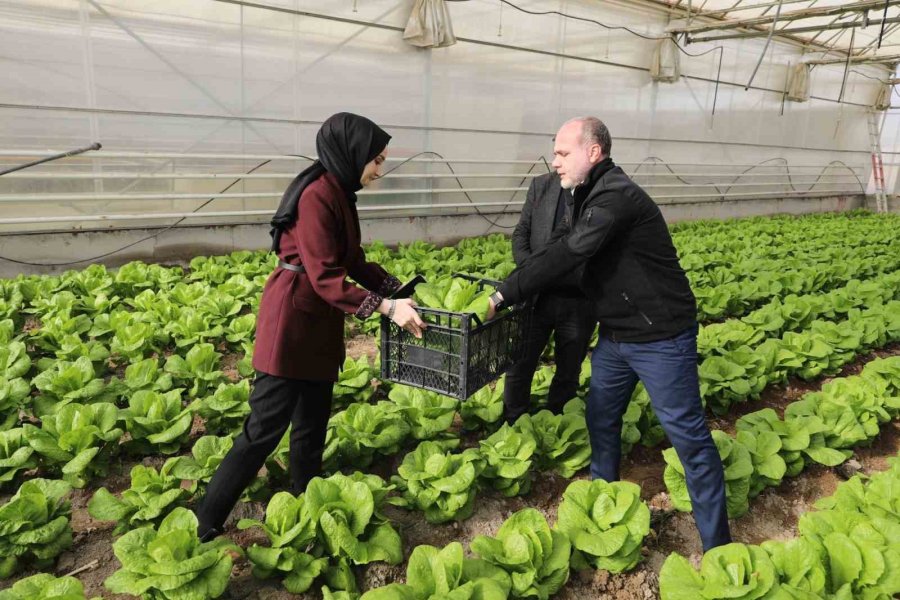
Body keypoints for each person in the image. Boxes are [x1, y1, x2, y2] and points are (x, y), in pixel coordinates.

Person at [486, 116, 731, 551]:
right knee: (600, 417)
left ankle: (717, 545)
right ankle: (604, 499)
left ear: (593, 152)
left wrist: (504, 293)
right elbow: (553, 250)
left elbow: (571, 250)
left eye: (563, 153)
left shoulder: (616, 196)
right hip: (616, 336)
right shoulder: (585, 195)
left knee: (688, 436)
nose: (555, 162)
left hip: (660, 337)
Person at [195, 112, 426, 541]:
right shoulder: (316, 197)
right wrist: (387, 308)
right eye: (376, 160)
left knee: (312, 422)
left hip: (318, 323)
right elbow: (323, 276)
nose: (379, 169)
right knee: (263, 430)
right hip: (292, 323)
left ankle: (305, 499)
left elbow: (351, 261)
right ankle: (206, 518)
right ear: (351, 154)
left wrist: (396, 289)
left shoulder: (340, 191)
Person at [504, 170, 596, 424]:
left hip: (577, 300)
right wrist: (533, 270)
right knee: (519, 365)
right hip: (536, 297)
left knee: (569, 369)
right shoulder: (541, 184)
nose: (557, 161)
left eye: (563, 153)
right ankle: (514, 421)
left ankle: (556, 423)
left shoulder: (599, 191)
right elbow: (521, 232)